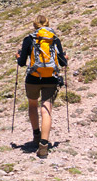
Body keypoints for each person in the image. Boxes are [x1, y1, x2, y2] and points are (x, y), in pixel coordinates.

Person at [16, 15, 68, 158]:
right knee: (46, 109)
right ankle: (44, 145)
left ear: (35, 25)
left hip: (33, 78)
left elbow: (21, 62)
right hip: (51, 78)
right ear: (48, 23)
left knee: (33, 105)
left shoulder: (29, 39)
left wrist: (18, 57)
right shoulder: (54, 38)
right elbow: (63, 62)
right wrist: (65, 58)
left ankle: (36, 136)